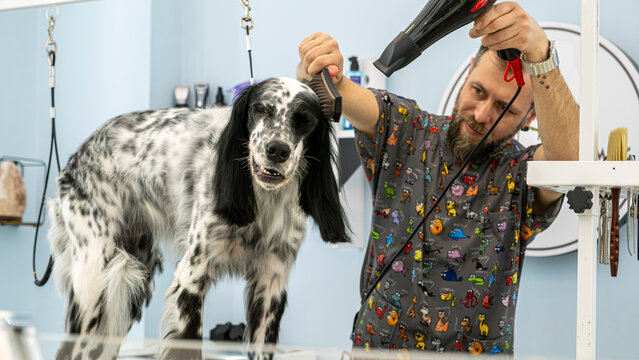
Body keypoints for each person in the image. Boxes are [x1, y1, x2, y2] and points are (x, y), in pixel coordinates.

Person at [297, 1, 578, 356]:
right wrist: (318, 64)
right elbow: (335, 87)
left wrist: (541, 52)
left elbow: (569, 162)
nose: (481, 114)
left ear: (528, 120)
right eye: (478, 91)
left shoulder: (523, 175)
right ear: (465, 78)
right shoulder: (406, 128)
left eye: (503, 108)